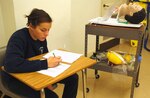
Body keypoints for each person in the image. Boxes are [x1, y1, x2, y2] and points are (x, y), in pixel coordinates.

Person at [2, 8, 78, 98]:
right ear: (31, 26)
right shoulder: (18, 38)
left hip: (34, 74)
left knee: (73, 78)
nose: (46, 34)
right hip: (14, 80)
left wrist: (48, 80)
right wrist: (45, 64)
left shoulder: (41, 38)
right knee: (52, 97)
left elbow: (44, 57)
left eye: (48, 30)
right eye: (43, 30)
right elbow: (11, 65)